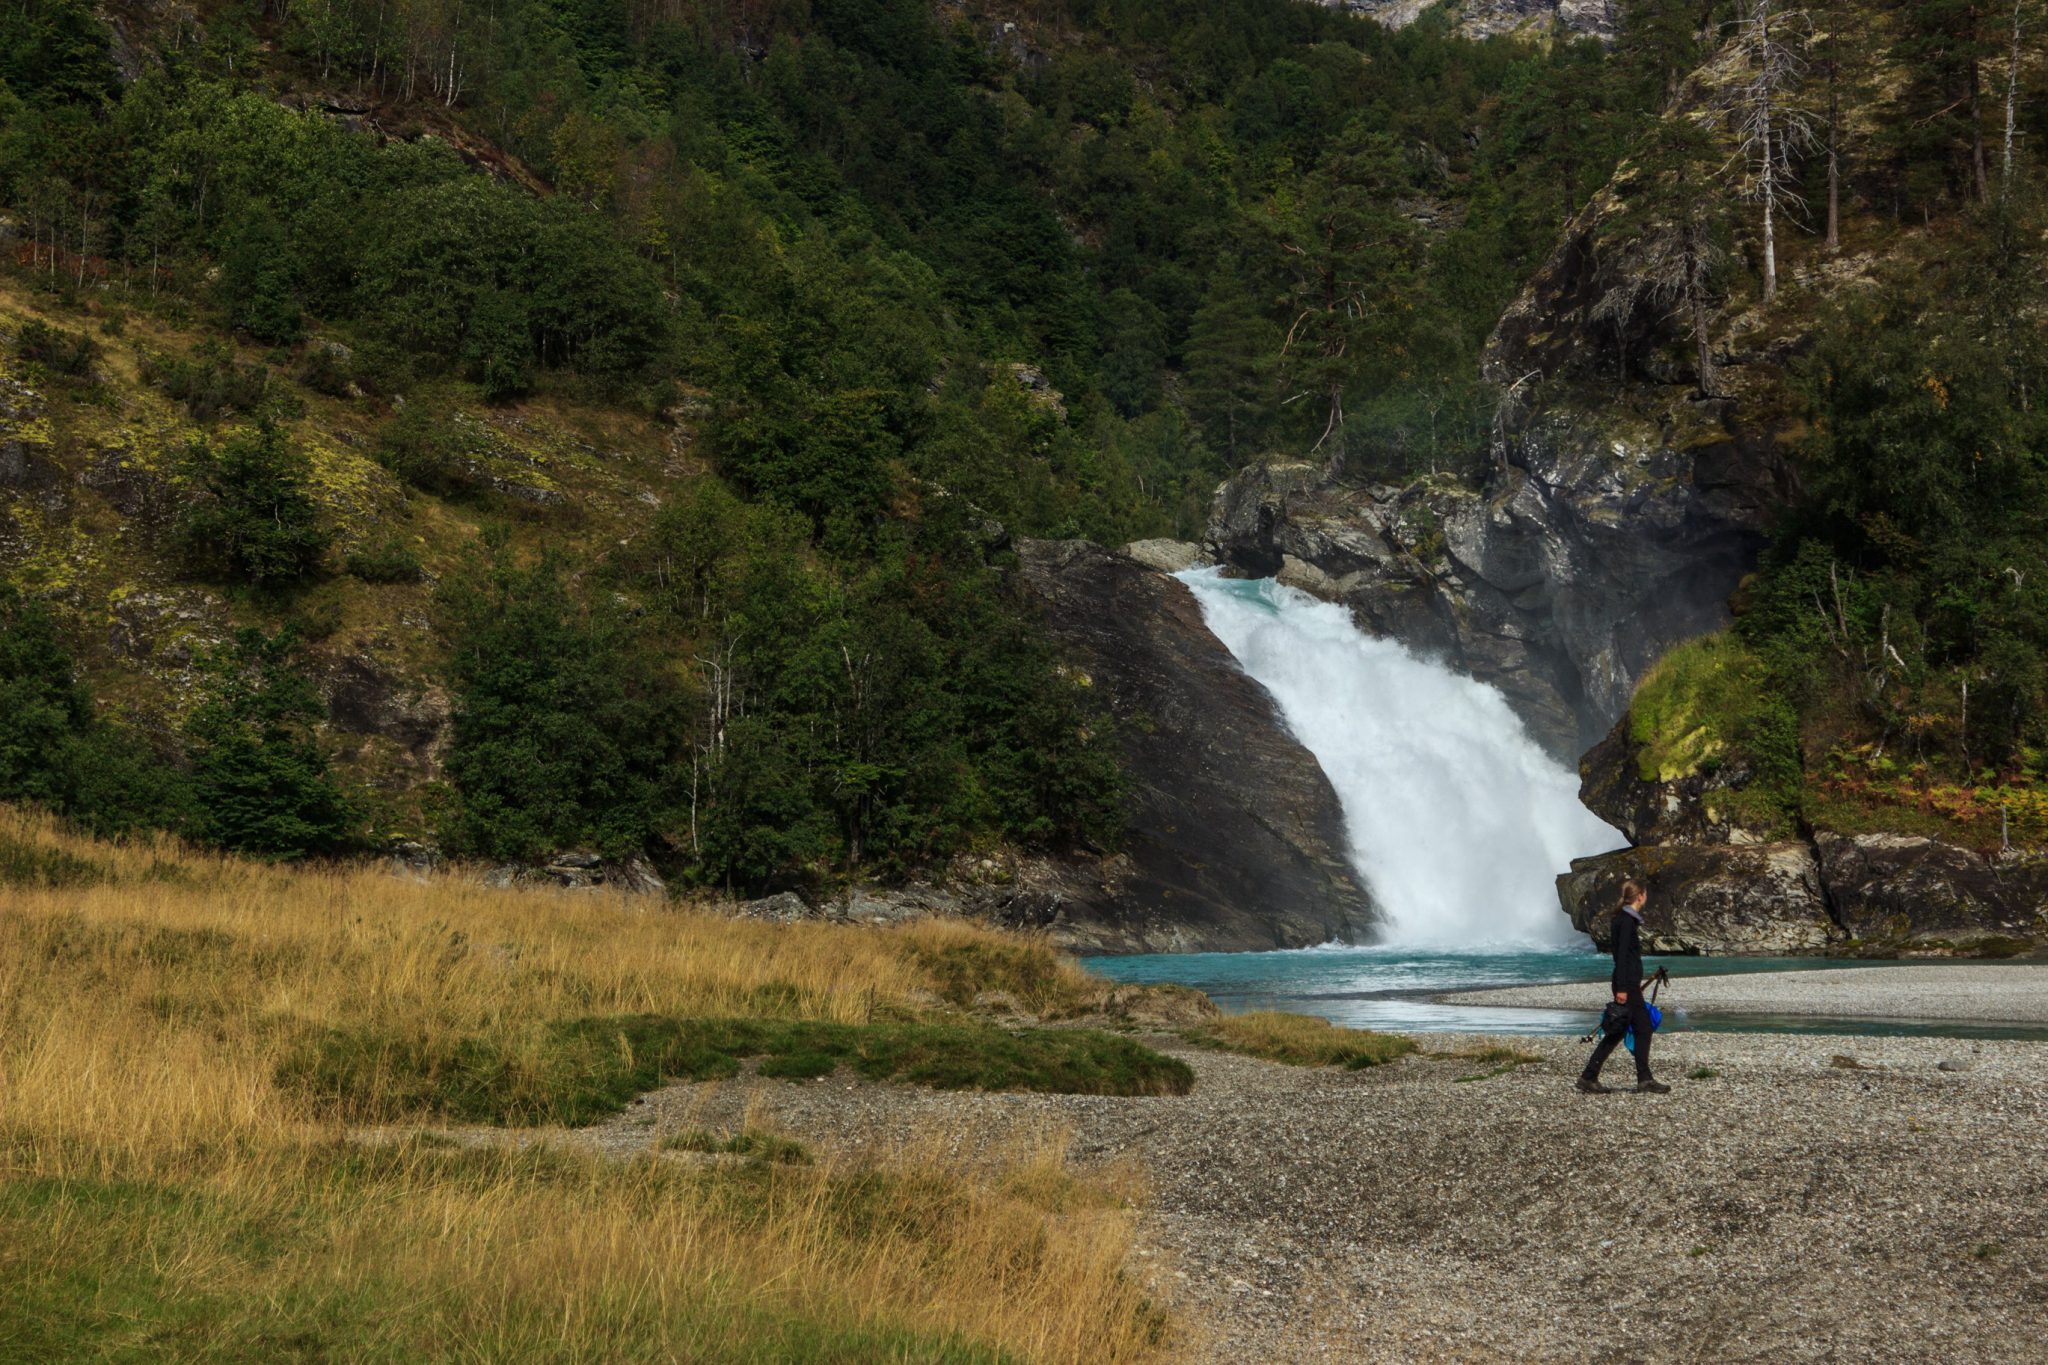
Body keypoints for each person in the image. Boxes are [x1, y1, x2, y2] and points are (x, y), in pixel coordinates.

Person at [1577, 878, 1670, 1094]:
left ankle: (1589, 1076)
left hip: (1628, 983)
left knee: (1618, 1030)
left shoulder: (1623, 918)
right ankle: (1643, 1079)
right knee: (1643, 1028)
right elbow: (1621, 956)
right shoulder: (1627, 920)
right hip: (1626, 984)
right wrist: (1622, 988)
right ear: (1640, 896)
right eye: (1645, 894)